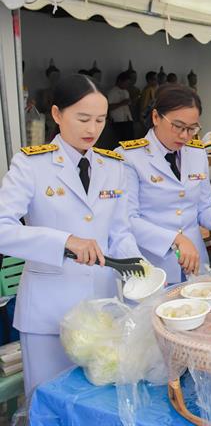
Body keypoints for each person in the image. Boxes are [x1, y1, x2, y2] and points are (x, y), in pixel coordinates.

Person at [0, 74, 142, 397]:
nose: (93, 129)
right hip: (49, 315)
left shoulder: (113, 165)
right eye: (83, 119)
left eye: (100, 120)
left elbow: (119, 233)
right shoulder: (31, 165)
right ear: (56, 114)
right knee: (50, 402)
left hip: (104, 310)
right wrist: (63, 242)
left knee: (97, 404)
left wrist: (139, 269)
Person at [116, 84, 211, 284]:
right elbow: (127, 219)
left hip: (196, 264)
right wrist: (175, 239)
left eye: (192, 129)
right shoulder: (129, 158)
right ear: (156, 117)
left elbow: (203, 207)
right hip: (154, 267)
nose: (184, 135)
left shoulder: (197, 153)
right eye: (178, 126)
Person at [107, 72, 134, 142]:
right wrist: (122, 103)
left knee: (130, 141)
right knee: (121, 142)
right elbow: (108, 107)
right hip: (118, 121)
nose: (127, 85)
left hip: (128, 120)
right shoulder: (112, 92)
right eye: (126, 83)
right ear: (119, 81)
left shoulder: (126, 92)